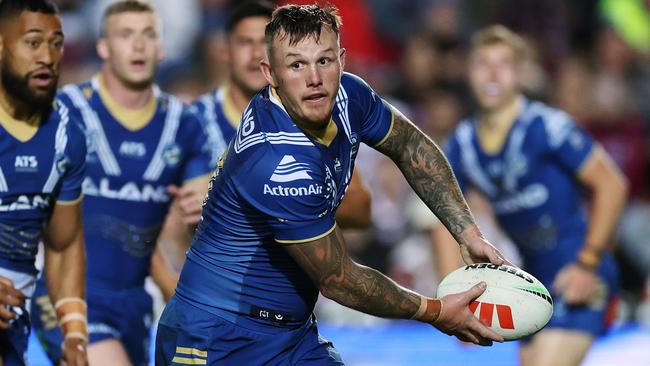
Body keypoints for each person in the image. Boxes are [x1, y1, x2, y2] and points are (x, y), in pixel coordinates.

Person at [156, 4, 511, 365]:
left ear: (342, 59)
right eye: (296, 65)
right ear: (270, 73)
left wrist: (466, 231)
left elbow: (409, 144)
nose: (314, 78)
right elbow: (339, 279)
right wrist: (434, 311)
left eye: (324, 61)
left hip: (292, 335)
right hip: (216, 337)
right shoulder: (278, 161)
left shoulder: (348, 96)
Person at [30, 1, 214, 366]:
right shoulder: (64, 112)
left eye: (148, 35)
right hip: (66, 294)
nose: (139, 45)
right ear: (103, 47)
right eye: (126, 35)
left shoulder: (185, 124)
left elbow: (207, 220)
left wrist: (202, 213)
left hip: (134, 303)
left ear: (162, 48)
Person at [433, 25, 628, 366]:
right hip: (530, 280)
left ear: (521, 75)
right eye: (483, 63)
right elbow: (441, 218)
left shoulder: (548, 127)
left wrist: (588, 263)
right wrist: (454, 301)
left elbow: (612, 185)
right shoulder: (462, 143)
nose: (492, 73)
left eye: (504, 63)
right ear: (469, 74)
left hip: (579, 272)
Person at [194, 0, 371, 229]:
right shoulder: (194, 121)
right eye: (246, 42)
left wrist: (272, 196)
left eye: (266, 43)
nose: (258, 53)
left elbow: (361, 211)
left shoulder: (311, 115)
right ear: (224, 52)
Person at [0, 1, 88, 365]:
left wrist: (75, 333)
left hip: (12, 324)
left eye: (56, 43)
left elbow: (64, 246)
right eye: (33, 43)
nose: (48, 57)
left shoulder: (67, 135)